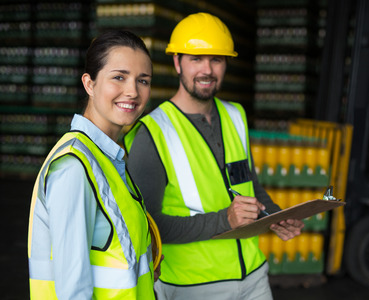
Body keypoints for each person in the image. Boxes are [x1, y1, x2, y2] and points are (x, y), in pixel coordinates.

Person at [125, 12, 304, 300]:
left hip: (255, 278)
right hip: (194, 287)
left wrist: (275, 216)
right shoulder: (153, 133)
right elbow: (147, 227)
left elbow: (250, 186)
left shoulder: (235, 116)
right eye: (196, 59)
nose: (207, 69)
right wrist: (225, 221)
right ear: (177, 62)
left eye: (216, 59)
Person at [27, 30, 160, 299]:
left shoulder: (109, 157)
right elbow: (73, 291)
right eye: (119, 77)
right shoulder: (75, 168)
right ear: (89, 84)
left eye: (142, 80)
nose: (133, 91)